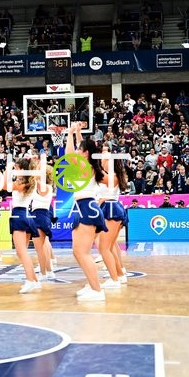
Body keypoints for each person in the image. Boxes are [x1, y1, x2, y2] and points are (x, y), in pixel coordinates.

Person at [64, 123, 107, 302]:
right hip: (85, 207)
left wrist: (70, 132)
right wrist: (79, 133)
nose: (76, 151)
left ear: (85, 154)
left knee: (82, 252)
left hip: (87, 207)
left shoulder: (83, 166)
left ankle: (97, 291)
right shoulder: (88, 164)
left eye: (79, 150)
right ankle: (92, 284)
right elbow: (83, 147)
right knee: (78, 251)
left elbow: (68, 154)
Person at [8, 157, 41, 294]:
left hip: (20, 214)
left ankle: (30, 281)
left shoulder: (24, 183)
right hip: (25, 214)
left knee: (21, 252)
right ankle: (34, 279)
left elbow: (5, 186)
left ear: (22, 169)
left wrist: (7, 169)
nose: (15, 170)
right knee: (23, 251)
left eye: (16, 168)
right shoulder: (28, 181)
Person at [97, 153, 128, 289]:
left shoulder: (113, 176)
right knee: (109, 247)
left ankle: (114, 279)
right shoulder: (111, 175)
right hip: (109, 208)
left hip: (111, 209)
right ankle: (120, 275)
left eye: (106, 160)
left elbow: (96, 175)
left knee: (104, 248)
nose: (103, 161)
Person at [29, 159, 55, 281]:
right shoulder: (47, 186)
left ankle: (43, 273)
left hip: (39, 215)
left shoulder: (43, 186)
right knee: (43, 246)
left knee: (39, 249)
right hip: (41, 215)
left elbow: (35, 176)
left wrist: (39, 164)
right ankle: (49, 271)